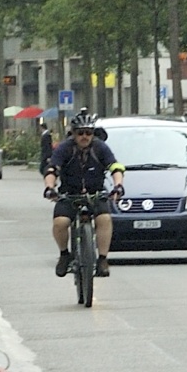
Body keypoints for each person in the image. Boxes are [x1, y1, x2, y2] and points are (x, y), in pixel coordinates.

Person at [43, 111, 125, 278]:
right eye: (80, 133)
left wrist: (118, 186)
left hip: (95, 193)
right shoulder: (65, 148)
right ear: (73, 134)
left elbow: (115, 167)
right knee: (60, 222)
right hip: (69, 194)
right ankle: (65, 255)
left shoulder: (100, 147)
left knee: (104, 219)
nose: (84, 136)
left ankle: (102, 259)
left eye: (89, 133)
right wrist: (50, 188)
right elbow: (52, 169)